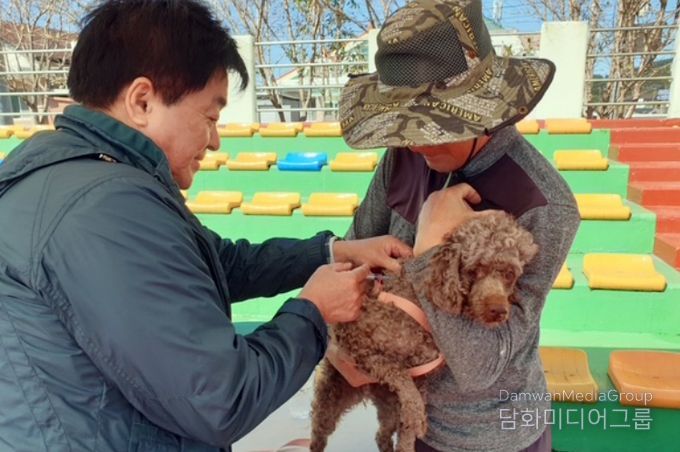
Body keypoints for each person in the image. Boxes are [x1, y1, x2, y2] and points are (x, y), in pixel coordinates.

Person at [0, 1, 412, 451]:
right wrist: (313, 312)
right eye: (210, 117)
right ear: (142, 101)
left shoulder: (78, 176)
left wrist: (330, 252)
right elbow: (221, 399)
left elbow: (215, 263)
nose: (214, 140)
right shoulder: (103, 208)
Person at [338, 0, 581, 451]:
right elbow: (354, 254)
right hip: (411, 419)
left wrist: (431, 252)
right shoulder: (403, 158)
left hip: (496, 434)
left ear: (480, 108)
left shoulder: (542, 202)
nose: (414, 142)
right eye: (406, 124)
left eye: (431, 125)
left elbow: (481, 365)